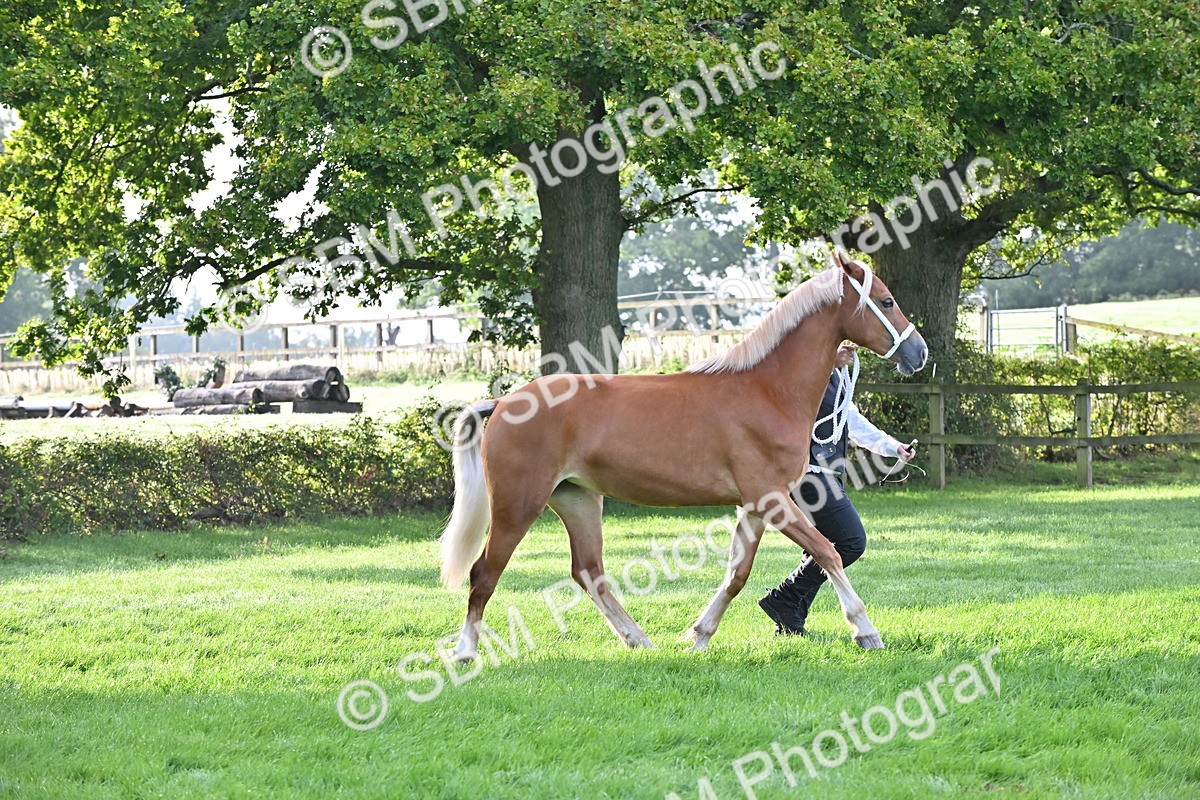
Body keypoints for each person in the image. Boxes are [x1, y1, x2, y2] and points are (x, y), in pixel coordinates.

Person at [757, 344, 917, 636]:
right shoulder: (803, 368)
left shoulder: (838, 377)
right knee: (851, 542)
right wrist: (829, 361)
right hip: (808, 474)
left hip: (828, 473)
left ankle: (790, 616)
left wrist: (892, 446)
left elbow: (851, 421)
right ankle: (785, 598)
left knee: (824, 545)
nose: (850, 349)